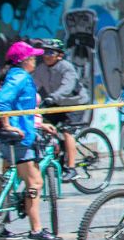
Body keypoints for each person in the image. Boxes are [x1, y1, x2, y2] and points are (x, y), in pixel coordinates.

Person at [0, 42, 55, 240]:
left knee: (7, 182)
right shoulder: (20, 76)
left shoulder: (12, 75)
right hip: (19, 138)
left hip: (16, 134)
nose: (35, 60)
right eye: (32, 57)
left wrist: (39, 125)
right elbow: (1, 102)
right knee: (35, 182)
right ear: (24, 60)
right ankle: (36, 230)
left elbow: (21, 108)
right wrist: (7, 125)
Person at [32, 39, 90, 173]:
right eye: (45, 52)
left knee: (67, 130)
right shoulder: (41, 69)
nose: (46, 55)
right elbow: (33, 86)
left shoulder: (66, 67)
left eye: (50, 52)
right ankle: (57, 151)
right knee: (41, 124)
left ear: (60, 55)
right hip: (57, 103)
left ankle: (71, 168)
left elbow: (67, 87)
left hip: (75, 104)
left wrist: (52, 97)